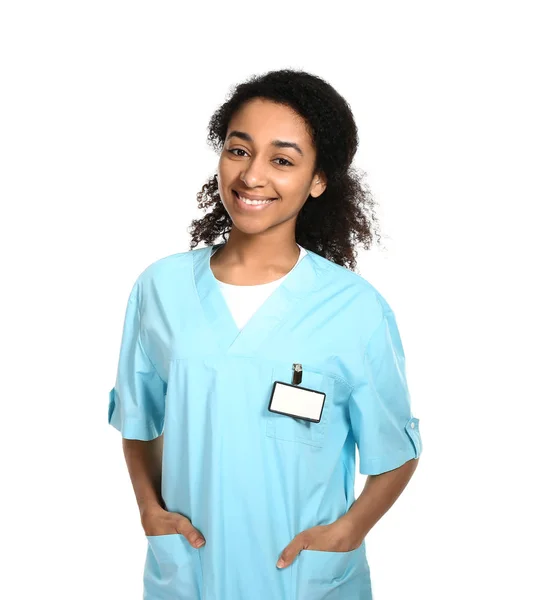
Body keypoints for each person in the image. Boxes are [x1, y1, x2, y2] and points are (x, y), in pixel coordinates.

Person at [108, 68, 423, 600]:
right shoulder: (160, 288)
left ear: (318, 179)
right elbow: (138, 417)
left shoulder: (355, 309)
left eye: (282, 160)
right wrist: (148, 509)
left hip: (304, 580)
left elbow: (395, 450)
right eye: (238, 150)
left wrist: (349, 531)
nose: (252, 175)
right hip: (190, 574)